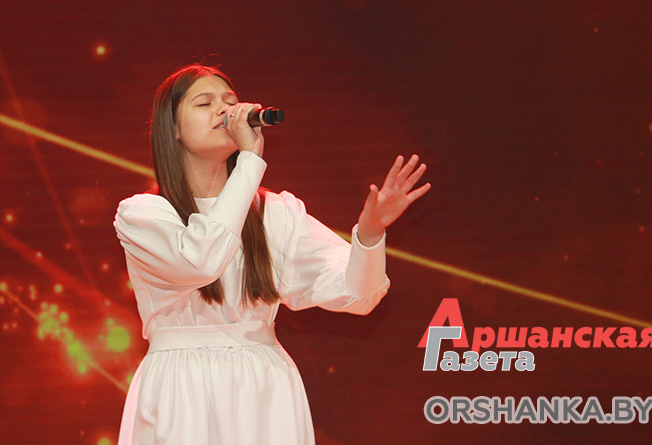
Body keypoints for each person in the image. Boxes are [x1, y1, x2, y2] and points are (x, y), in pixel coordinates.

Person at [113, 63, 430, 445]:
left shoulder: (276, 213)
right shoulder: (144, 214)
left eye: (230, 101)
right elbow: (201, 261)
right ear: (173, 128)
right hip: (180, 387)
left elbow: (357, 295)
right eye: (205, 103)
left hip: (262, 387)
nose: (225, 110)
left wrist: (371, 233)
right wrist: (250, 161)